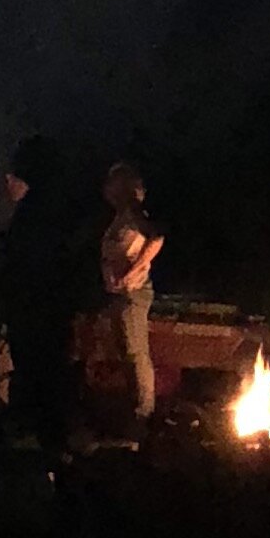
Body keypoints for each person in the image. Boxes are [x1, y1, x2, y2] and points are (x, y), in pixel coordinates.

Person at [0, 133, 90, 455]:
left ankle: (39, 450)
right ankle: (53, 447)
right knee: (50, 374)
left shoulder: (33, 215)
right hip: (51, 310)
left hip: (33, 311)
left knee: (36, 375)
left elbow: (23, 266)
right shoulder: (59, 211)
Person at [98, 159, 166, 422]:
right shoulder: (120, 217)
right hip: (119, 292)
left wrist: (135, 267)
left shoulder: (136, 215)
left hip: (133, 292)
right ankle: (134, 406)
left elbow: (157, 238)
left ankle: (143, 411)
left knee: (135, 350)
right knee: (125, 349)